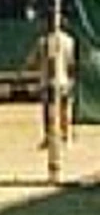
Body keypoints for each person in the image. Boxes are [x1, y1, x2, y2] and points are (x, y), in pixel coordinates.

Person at [36, 21, 76, 149]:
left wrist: (50, 79)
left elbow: (50, 61)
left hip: (52, 81)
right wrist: (70, 79)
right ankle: (66, 136)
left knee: (49, 110)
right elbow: (71, 63)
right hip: (63, 80)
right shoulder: (69, 41)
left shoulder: (46, 41)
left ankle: (50, 137)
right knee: (64, 109)